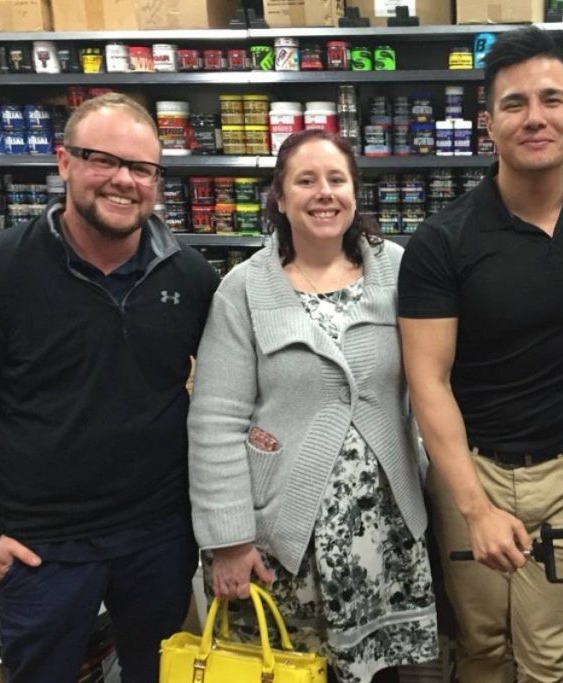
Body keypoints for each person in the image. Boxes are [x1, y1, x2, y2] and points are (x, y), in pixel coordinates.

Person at [398, 26, 563, 683]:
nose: (534, 117)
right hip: (470, 474)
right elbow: (428, 379)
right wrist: (476, 507)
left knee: (547, 658)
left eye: (550, 99)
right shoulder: (442, 239)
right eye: (514, 104)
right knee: (480, 649)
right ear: (489, 123)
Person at [0, 92, 220, 681]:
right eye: (104, 160)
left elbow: (227, 398)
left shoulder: (189, 275)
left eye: (142, 169)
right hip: (42, 546)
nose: (124, 181)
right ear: (64, 161)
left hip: (159, 537)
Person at [187, 129, 438, 683]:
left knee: (379, 673)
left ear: (355, 192)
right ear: (279, 197)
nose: (324, 193)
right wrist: (229, 541)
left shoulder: (397, 268)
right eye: (305, 180)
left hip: (384, 534)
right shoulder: (244, 289)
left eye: (336, 179)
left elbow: (436, 374)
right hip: (282, 542)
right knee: (287, 671)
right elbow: (214, 420)